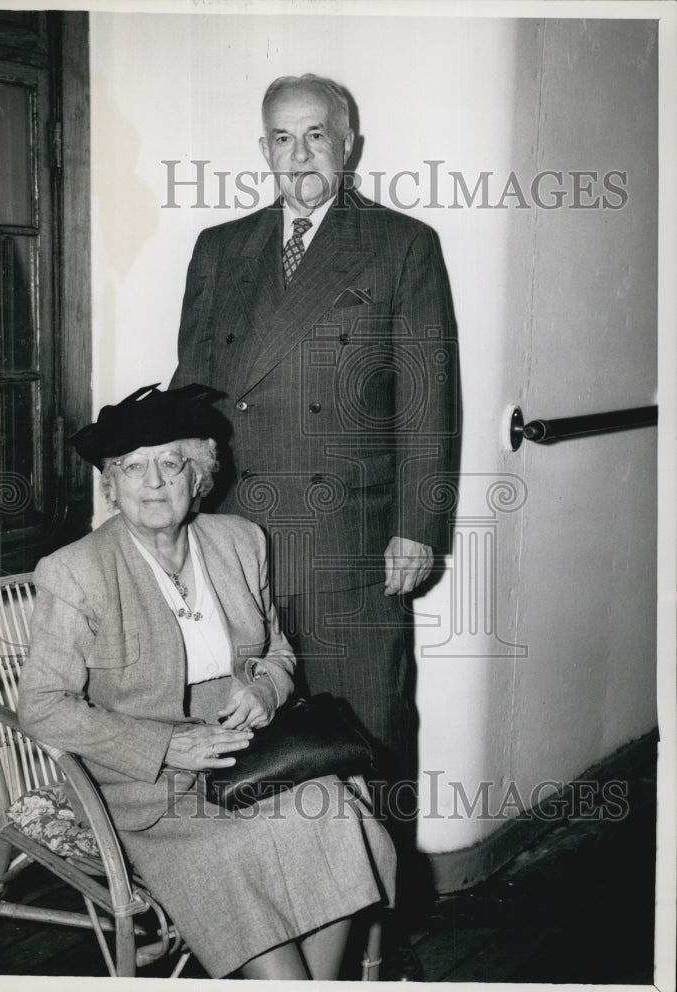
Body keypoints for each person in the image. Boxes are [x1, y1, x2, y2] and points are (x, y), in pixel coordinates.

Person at [169, 73, 458, 922]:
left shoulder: (401, 244)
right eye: (281, 140)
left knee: (367, 728)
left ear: (348, 143)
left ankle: (380, 926)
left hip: (351, 536)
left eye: (316, 137)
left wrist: (418, 526)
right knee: (254, 731)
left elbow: (428, 398)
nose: (299, 156)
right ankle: (283, 911)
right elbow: (194, 395)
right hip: (237, 539)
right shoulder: (220, 247)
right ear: (262, 150)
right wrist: (175, 509)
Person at [17, 383, 396, 981]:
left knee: (331, 814)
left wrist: (265, 691)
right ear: (110, 485)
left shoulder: (240, 541)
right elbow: (41, 706)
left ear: (200, 476)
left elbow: (275, 649)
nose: (153, 482)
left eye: (171, 463)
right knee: (232, 853)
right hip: (142, 780)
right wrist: (168, 745)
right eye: (131, 467)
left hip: (252, 754)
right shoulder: (76, 571)